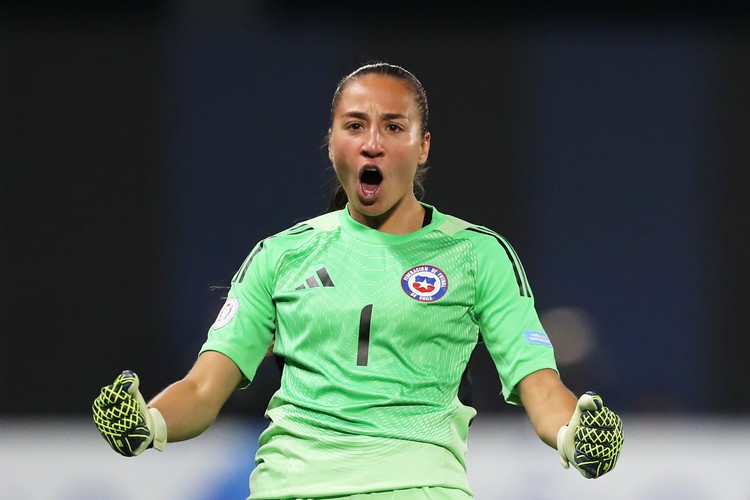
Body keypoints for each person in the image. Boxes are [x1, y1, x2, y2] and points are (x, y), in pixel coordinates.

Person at [93, 61, 623, 499]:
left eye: (393, 127)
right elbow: (202, 388)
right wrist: (149, 422)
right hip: (290, 489)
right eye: (354, 125)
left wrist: (574, 435)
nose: (372, 143)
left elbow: (541, 387)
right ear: (331, 143)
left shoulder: (478, 255)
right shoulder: (280, 256)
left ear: (423, 147)